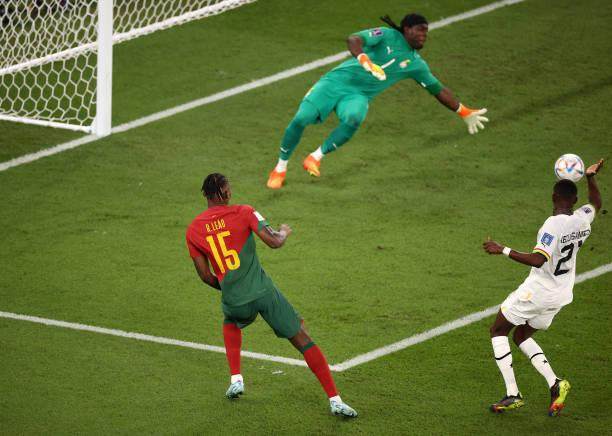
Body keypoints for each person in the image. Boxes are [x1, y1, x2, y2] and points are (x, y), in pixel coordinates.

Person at [186, 173, 358, 417]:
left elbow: (205, 275)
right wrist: (284, 231)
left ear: (205, 194)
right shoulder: (244, 212)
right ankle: (335, 400)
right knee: (301, 336)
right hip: (264, 293)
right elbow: (275, 241)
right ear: (227, 192)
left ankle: (236, 379)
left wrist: (230, 287)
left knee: (231, 320)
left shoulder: (193, 229)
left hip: (234, 299)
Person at [266, 13, 489, 189]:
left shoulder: (416, 64)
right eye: (420, 29)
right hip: (335, 82)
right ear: (407, 28)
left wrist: (463, 111)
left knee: (354, 117)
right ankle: (280, 168)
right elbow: (354, 39)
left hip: (358, 95)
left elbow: (438, 90)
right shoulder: (386, 35)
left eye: (426, 32)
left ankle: (315, 157)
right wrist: (363, 58)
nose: (424, 35)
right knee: (301, 118)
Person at [483, 159, 604, 416]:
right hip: (561, 295)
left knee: (498, 330)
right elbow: (596, 203)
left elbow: (538, 259)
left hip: (538, 291)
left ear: (553, 196)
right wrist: (591, 177)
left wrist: (502, 249)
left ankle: (513, 394)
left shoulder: (552, 225)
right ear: (575, 200)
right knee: (521, 336)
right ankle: (556, 384)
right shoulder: (582, 219)